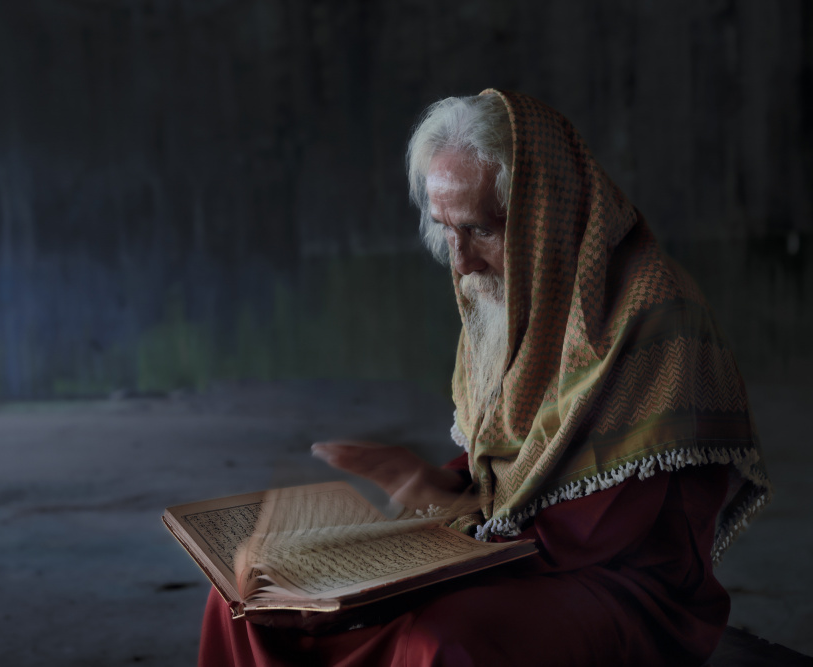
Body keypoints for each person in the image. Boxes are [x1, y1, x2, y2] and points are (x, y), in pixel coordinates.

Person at [198, 90, 772, 666]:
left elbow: (606, 526)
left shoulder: (650, 313)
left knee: (442, 641)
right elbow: (503, 476)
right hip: (501, 549)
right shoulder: (500, 293)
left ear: (543, 218)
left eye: (479, 230)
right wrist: (436, 488)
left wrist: (446, 520)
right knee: (249, 599)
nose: (460, 260)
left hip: (625, 588)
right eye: (445, 227)